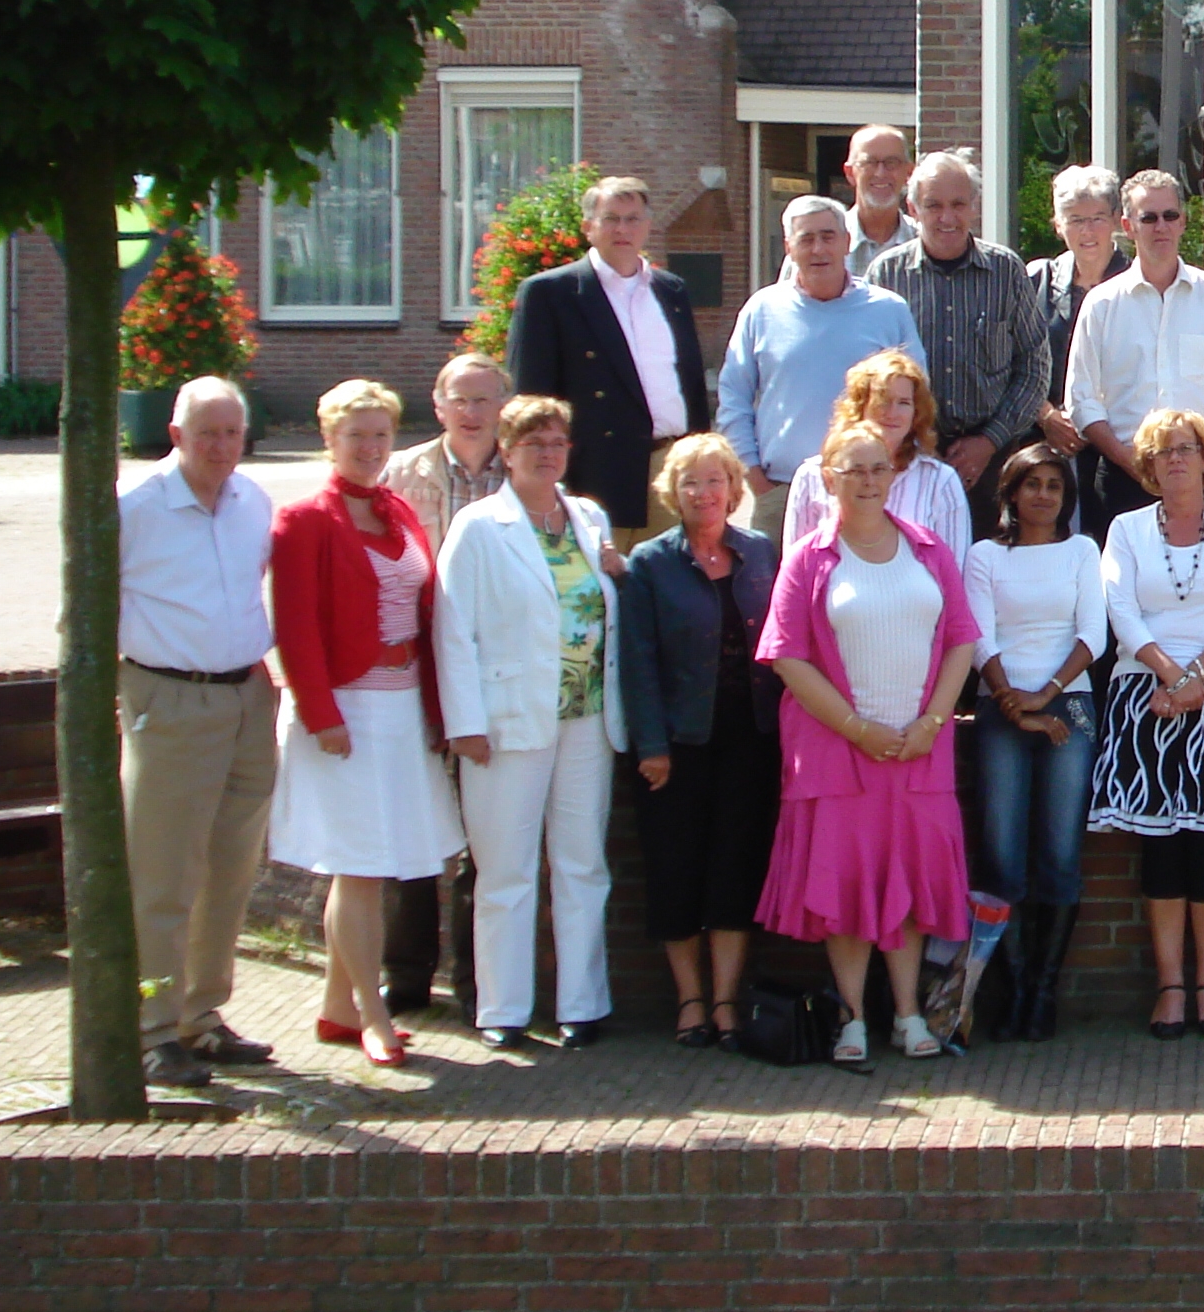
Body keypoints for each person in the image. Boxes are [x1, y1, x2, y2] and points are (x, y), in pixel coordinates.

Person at [756, 420, 982, 1072]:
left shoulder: (929, 548)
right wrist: (859, 729)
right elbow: (787, 657)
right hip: (837, 754)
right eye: (852, 469)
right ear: (828, 478)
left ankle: (909, 1014)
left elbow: (962, 638)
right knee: (848, 888)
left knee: (908, 886)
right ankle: (852, 1018)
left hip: (918, 754)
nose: (867, 480)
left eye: (878, 468)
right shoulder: (807, 558)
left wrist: (931, 725)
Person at [266, 381, 464, 1069]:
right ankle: (372, 1014)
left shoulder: (399, 510)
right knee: (359, 866)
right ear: (329, 439)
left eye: (382, 436)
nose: (372, 449)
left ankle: (335, 1009)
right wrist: (321, 714)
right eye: (358, 436)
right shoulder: (303, 519)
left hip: (401, 704)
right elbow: (293, 628)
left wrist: (437, 711)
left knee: (374, 866)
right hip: (345, 709)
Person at [433, 394, 625, 1050]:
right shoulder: (480, 527)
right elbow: (453, 631)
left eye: (557, 442)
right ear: (506, 452)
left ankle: (582, 1004)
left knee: (581, 864)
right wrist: (464, 723)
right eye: (532, 442)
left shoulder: (588, 517)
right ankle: (503, 1010)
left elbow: (602, 607)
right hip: (506, 721)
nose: (547, 453)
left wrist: (617, 575)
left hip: (587, 718)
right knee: (507, 870)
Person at [116, 377, 281, 1088]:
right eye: (206, 432)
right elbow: (85, 610)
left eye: (231, 433)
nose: (220, 447)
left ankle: (203, 1018)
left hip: (247, 697)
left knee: (230, 871)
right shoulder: (133, 509)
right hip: (170, 701)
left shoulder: (255, 502)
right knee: (162, 877)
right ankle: (151, 1030)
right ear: (175, 434)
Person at [1092, 408, 1204, 1037]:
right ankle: (1170, 986)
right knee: (1161, 846)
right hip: (1144, 695)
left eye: (1187, 448)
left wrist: (1197, 680)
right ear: (1147, 465)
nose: (1176, 460)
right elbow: (1121, 610)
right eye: (1163, 451)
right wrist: (1171, 677)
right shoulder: (1126, 529)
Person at [616, 434, 781, 1049]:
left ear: (735, 490)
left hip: (752, 741)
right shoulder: (651, 564)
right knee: (676, 868)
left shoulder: (762, 554)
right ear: (674, 493)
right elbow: (637, 661)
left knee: (736, 868)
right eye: (690, 482)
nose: (704, 493)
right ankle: (689, 1000)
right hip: (678, 746)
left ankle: (727, 1001)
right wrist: (650, 745)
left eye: (715, 481)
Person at [378, 349, 508, 1019]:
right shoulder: (402, 473)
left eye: (484, 399)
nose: (472, 410)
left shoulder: (522, 475)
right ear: (438, 404)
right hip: (415, 670)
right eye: (460, 398)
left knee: (483, 836)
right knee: (415, 828)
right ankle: (405, 976)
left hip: (492, 674)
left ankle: (476, 981)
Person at [963, 443, 1107, 1040]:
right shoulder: (983, 556)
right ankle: (1010, 987)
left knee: (1059, 853)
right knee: (1000, 853)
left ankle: (1042, 993)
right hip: (999, 708)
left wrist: (1045, 695)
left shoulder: (1081, 551)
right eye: (1031, 484)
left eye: (1053, 484)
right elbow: (977, 635)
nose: (1042, 494)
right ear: (1011, 493)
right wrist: (1011, 701)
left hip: (1068, 706)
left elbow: (1093, 633)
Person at [506, 173, 711, 547]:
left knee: (669, 590)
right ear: (588, 227)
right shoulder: (551, 294)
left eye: (633, 219)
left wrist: (703, 459)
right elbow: (530, 401)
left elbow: (691, 384)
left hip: (673, 466)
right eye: (611, 218)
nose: (623, 229)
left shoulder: (671, 290)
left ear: (647, 226)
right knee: (604, 592)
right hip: (596, 473)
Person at [864, 149, 1051, 538]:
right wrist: (913, 441)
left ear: (974, 207)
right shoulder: (886, 274)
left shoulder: (1005, 271)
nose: (946, 217)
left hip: (994, 460)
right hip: (907, 459)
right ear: (912, 208)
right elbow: (868, 373)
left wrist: (989, 440)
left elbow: (1034, 365)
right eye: (933, 205)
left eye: (958, 204)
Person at [718, 194, 926, 536]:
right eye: (806, 239)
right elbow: (733, 398)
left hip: (871, 490)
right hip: (781, 492)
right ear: (789, 246)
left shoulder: (888, 311)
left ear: (846, 242)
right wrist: (755, 478)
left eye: (828, 237)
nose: (818, 249)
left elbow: (916, 399)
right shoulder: (762, 310)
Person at [1064, 170, 1204, 526]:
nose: (1161, 227)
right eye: (1148, 218)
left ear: (1183, 221)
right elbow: (1082, 400)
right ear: (1127, 224)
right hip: (1125, 478)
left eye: (1170, 216)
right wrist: (1130, 462)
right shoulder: (1101, 303)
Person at [781, 350, 972, 560]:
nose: (892, 412)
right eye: (883, 400)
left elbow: (955, 570)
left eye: (903, 403)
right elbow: (795, 570)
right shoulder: (812, 476)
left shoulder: (940, 481)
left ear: (916, 413)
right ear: (860, 405)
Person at [1027, 164, 1130, 539]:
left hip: (1120, 449)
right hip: (1048, 444)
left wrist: (1097, 428)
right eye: (1075, 220)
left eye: (1097, 218)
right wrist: (1047, 415)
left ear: (1117, 221)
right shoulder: (1036, 281)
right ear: (1058, 225)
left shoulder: (1138, 283)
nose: (1087, 231)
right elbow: (1014, 359)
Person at [841, 124, 921, 281]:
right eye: (869, 162)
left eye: (892, 162)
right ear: (850, 173)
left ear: (909, 173)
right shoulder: (822, 243)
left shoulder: (924, 244)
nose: (880, 173)